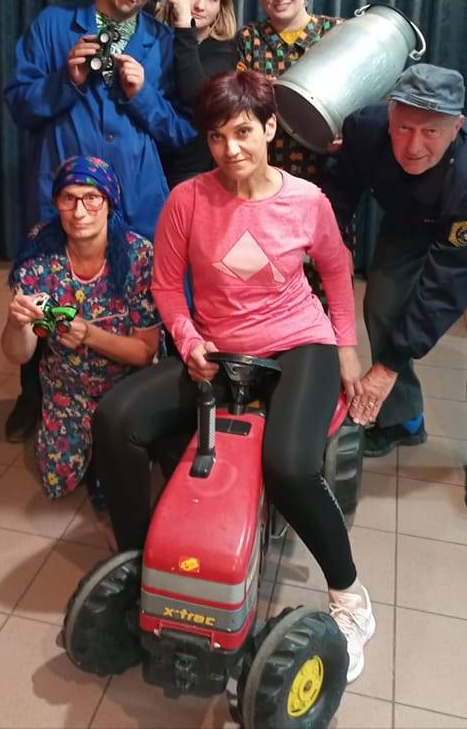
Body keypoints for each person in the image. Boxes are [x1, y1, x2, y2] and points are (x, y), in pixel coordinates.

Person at [94, 70, 376, 683]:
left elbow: (336, 270)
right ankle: (144, 564)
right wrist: (190, 341)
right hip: (217, 351)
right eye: (217, 137)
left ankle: (351, 598)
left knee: (290, 466)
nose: (230, 149)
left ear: (271, 129)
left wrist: (346, 348)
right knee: (116, 420)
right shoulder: (187, 200)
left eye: (244, 132)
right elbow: (166, 286)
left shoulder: (307, 201)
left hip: (299, 343)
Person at [3, 0, 194, 443]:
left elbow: (182, 130)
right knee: (44, 289)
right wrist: (66, 80)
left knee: (140, 297)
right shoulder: (54, 24)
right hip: (63, 188)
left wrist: (142, 95)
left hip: (137, 193)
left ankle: (140, 403)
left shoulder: (160, 42)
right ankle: (35, 393)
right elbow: (19, 105)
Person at [321, 64, 467, 517]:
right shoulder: (366, 128)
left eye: (431, 131)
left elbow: (445, 288)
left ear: (456, 127)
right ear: (390, 114)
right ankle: (403, 419)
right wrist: (333, 233)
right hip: (412, 218)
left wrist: (387, 367)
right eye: (404, 128)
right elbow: (340, 184)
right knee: (381, 302)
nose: (413, 146)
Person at [1, 156, 160, 500]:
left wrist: (89, 334)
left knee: (115, 487)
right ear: (56, 203)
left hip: (126, 386)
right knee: (57, 480)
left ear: (109, 202)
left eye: (92, 198)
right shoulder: (39, 256)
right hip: (67, 386)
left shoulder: (136, 255)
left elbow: (145, 353)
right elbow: (18, 355)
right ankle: (82, 437)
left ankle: (111, 447)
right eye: (68, 198)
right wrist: (16, 325)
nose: (79, 211)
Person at [111, 0, 240, 185]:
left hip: (190, 174)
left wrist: (184, 23)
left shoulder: (224, 50)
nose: (200, 6)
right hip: (139, 162)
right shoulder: (150, 30)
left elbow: (197, 97)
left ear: (221, 7)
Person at [237, 0, 342, 183]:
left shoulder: (336, 33)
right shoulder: (248, 39)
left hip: (329, 176)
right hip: (264, 177)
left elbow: (368, 102)